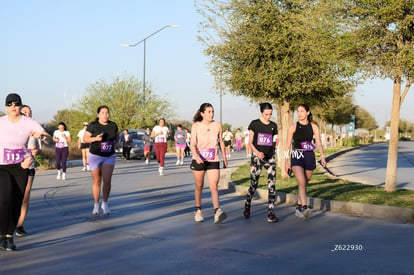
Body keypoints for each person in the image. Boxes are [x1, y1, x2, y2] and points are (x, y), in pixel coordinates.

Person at [0, 93, 46, 251]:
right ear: (6, 107)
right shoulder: (1, 123)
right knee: (4, 198)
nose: (13, 106)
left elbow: (45, 135)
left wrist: (41, 135)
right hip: (2, 166)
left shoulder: (28, 122)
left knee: (17, 201)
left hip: (22, 166)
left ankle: (8, 236)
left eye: (16, 103)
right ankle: (1, 233)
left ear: (20, 106)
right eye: (10, 104)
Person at [285, 104, 326, 219]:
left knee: (304, 183)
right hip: (296, 155)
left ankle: (298, 208)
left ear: (307, 112)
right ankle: (305, 207)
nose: (299, 114)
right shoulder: (293, 127)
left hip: (309, 155)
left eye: (302, 111)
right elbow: (287, 146)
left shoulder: (314, 127)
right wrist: (285, 162)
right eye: (298, 111)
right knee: (302, 182)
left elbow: (318, 142)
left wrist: (322, 156)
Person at [190, 103, 227, 224]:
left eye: (212, 111)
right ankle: (198, 210)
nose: (211, 114)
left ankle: (217, 211)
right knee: (199, 186)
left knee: (213, 186)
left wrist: (225, 158)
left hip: (213, 159)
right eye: (209, 112)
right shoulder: (196, 126)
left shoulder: (217, 125)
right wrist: (196, 156)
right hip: (199, 159)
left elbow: (221, 141)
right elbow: (192, 144)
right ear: (202, 113)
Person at [243, 102, 279, 223]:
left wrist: (274, 150)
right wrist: (257, 153)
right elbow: (250, 143)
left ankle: (270, 212)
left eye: (270, 114)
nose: (268, 116)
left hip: (270, 158)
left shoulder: (273, 125)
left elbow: (274, 141)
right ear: (261, 113)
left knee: (272, 184)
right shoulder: (255, 124)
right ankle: (248, 203)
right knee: (254, 184)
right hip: (257, 158)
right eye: (266, 114)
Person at [15, 105, 46, 237]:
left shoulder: (35, 131)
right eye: (24, 112)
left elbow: (39, 148)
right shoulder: (11, 129)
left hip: (30, 167)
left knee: (25, 196)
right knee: (9, 196)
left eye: (30, 112)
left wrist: (36, 151)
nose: (27, 114)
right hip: (13, 167)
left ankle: (19, 225)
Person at [83, 105, 119, 215]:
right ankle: (96, 205)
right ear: (98, 114)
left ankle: (105, 203)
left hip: (109, 155)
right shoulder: (93, 126)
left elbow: (117, 135)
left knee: (107, 181)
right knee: (97, 181)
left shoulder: (113, 125)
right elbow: (85, 138)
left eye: (107, 112)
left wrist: (117, 143)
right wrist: (95, 139)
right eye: (103, 113)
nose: (105, 115)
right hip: (95, 156)